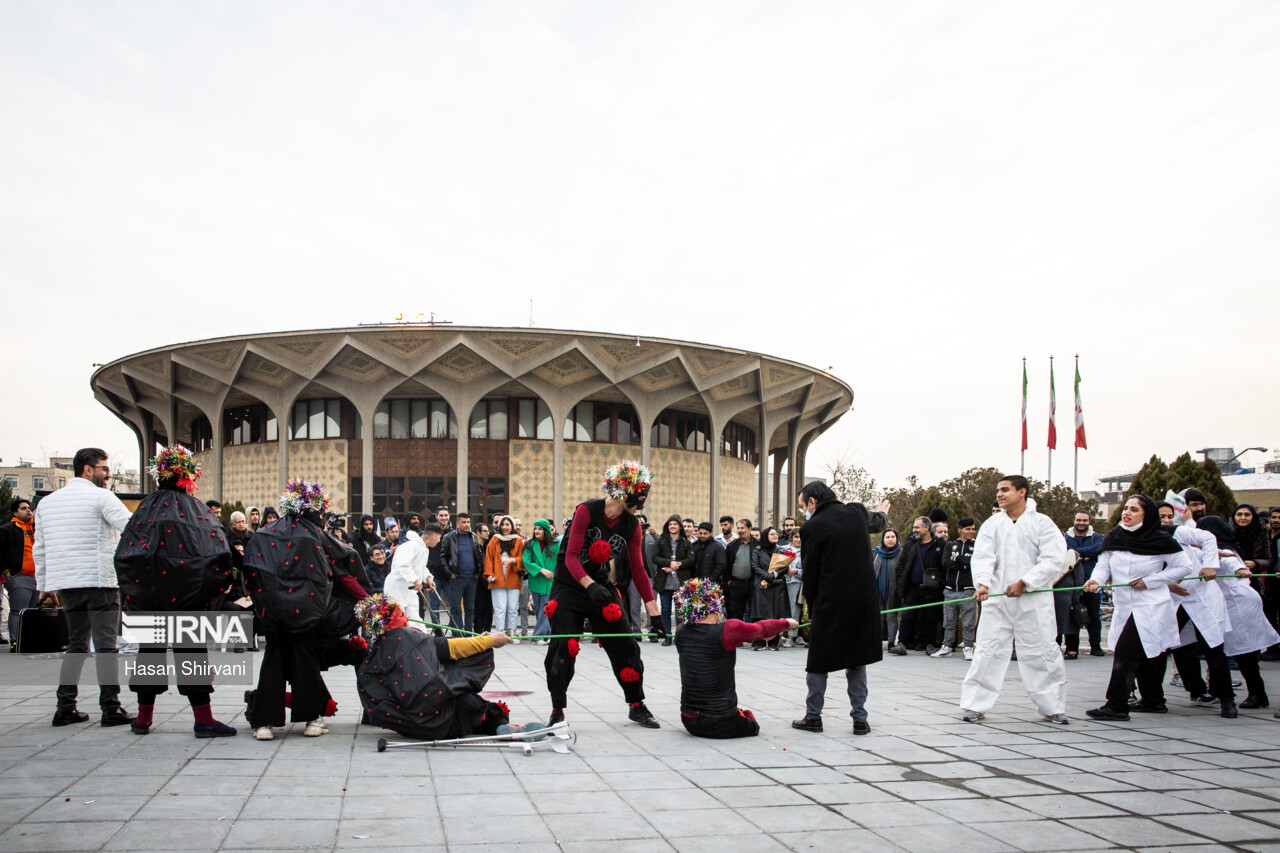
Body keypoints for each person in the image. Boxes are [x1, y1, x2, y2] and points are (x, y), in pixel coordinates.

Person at [114, 445, 238, 737]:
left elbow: (126, 552)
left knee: (150, 653)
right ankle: (203, 719)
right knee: (191, 653)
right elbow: (216, 551)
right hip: (187, 598)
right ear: (187, 476)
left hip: (151, 598)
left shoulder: (144, 508)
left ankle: (143, 719)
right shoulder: (195, 509)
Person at [243, 479, 371, 740]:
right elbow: (342, 567)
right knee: (304, 664)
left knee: (273, 664)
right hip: (305, 615)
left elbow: (252, 572)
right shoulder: (314, 534)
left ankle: (264, 723)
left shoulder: (265, 534)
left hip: (274, 616)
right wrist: (368, 600)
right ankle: (312, 719)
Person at [543, 461, 661, 729]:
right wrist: (588, 585)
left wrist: (656, 614)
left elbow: (639, 570)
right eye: (639, 498)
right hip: (569, 586)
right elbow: (571, 557)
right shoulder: (588, 510)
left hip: (599, 585)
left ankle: (636, 704)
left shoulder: (633, 525)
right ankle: (557, 709)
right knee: (564, 647)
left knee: (625, 642)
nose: (641, 505)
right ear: (623, 492)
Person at [32, 447, 135, 728]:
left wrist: (44, 585)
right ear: (88, 469)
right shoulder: (101, 496)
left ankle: (65, 706)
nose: (108, 474)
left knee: (76, 646)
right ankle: (110, 708)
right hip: (100, 582)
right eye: (104, 468)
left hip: (68, 584)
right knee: (106, 648)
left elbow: (39, 548)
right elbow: (131, 527)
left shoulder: (48, 503)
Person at [959, 475, 1069, 725]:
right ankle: (974, 705)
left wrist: (1025, 582)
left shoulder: (1042, 524)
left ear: (1023, 492)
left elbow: (1053, 559)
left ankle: (1053, 706)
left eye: (1005, 490)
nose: (999, 494)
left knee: (1041, 650)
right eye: (998, 490)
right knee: (987, 651)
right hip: (997, 601)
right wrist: (983, 583)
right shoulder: (992, 524)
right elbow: (983, 557)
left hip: (1033, 601)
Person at [1083, 495, 1195, 721]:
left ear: (1146, 514)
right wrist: (1095, 581)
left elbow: (1184, 567)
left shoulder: (1160, 540)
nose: (1127, 512)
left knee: (1126, 651)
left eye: (1134, 509)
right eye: (1126, 508)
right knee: (1144, 652)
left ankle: (1116, 705)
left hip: (1151, 605)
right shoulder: (1115, 535)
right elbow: (1103, 565)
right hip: (1125, 605)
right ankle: (1154, 701)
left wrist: (1151, 580)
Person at [790, 483, 885, 736]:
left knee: (819, 662)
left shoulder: (811, 527)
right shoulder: (856, 512)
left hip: (830, 602)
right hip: (862, 601)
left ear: (812, 502)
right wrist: (882, 511)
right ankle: (860, 720)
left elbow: (810, 572)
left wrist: (812, 604)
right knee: (857, 660)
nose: (802, 513)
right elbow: (878, 522)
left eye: (803, 506)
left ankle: (813, 717)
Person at [355, 594, 516, 739]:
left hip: (412, 728)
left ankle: (493, 725)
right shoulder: (407, 636)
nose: (407, 617)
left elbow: (377, 711)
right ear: (395, 619)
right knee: (470, 703)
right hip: (443, 718)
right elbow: (452, 648)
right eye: (402, 614)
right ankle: (498, 725)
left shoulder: (368, 665)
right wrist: (490, 641)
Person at [673, 578, 796, 738]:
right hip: (720, 721)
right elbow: (761, 628)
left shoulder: (681, 631)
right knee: (752, 725)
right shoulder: (727, 630)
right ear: (715, 606)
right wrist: (787, 623)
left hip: (689, 720)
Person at [1192, 511, 1280, 710]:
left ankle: (1257, 694)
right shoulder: (1217, 549)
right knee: (1232, 651)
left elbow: (1234, 565)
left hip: (1237, 604)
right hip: (1233, 603)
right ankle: (1228, 690)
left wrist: (1241, 571)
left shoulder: (1223, 550)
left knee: (1242, 651)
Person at [1157, 500, 1236, 717]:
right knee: (1174, 646)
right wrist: (1167, 585)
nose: (1166, 521)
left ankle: (1227, 699)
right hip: (1174, 598)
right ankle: (1194, 692)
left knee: (1213, 646)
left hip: (1200, 596)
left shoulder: (1177, 532)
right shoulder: (1142, 540)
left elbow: (1207, 538)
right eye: (1161, 516)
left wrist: (1210, 564)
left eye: (1169, 516)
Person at [383, 518, 441, 633]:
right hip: (397, 588)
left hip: (410, 589)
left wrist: (428, 577)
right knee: (396, 619)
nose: (439, 541)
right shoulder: (410, 546)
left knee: (415, 619)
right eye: (439, 538)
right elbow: (403, 565)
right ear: (434, 536)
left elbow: (420, 567)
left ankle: (421, 641)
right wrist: (415, 580)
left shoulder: (424, 549)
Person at [894, 517, 942, 652]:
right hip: (911, 587)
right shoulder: (910, 544)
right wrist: (901, 582)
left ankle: (927, 644)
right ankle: (903, 643)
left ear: (927, 528)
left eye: (917, 527)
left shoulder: (938, 545)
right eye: (914, 527)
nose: (914, 530)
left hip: (930, 589)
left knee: (928, 617)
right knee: (907, 615)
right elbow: (902, 564)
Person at [934, 518, 978, 660]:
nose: (971, 532)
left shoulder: (977, 546)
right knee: (949, 621)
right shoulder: (951, 545)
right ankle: (946, 646)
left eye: (973, 529)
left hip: (968, 590)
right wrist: (963, 563)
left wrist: (960, 561)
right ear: (960, 530)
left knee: (969, 623)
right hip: (950, 590)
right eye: (968, 529)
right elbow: (946, 563)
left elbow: (973, 563)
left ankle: (968, 647)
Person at [1064, 511, 1106, 656]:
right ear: (1074, 520)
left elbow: (1097, 549)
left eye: (1085, 520)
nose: (1081, 523)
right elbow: (1063, 551)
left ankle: (1095, 646)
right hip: (1071, 583)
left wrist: (1074, 554)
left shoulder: (1097, 537)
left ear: (1089, 521)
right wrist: (1085, 556)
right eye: (1079, 520)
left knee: (1094, 616)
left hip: (1091, 582)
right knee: (1072, 616)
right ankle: (1071, 648)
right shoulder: (1065, 536)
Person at [1, 497, 39, 647]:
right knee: (18, 610)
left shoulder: (36, 528)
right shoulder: (7, 529)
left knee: (32, 611)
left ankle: (28, 640)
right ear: (15, 513)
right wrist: (7, 572)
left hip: (36, 576)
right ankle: (16, 641)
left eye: (29, 508)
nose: (28, 510)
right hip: (19, 576)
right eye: (23, 508)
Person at [651, 515, 693, 645]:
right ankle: (667, 636)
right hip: (665, 582)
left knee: (680, 611)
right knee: (665, 610)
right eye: (670, 524)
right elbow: (654, 557)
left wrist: (678, 564)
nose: (672, 526)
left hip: (680, 582)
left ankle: (679, 636)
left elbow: (691, 560)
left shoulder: (686, 543)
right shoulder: (661, 541)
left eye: (675, 524)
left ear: (680, 526)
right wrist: (669, 563)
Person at [485, 516, 525, 641]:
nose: (505, 527)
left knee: (513, 607)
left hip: (513, 575)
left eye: (507, 524)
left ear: (512, 526)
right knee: (499, 607)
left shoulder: (518, 541)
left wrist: (513, 560)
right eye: (503, 525)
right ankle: (499, 632)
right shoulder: (494, 540)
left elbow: (523, 559)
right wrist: (489, 574)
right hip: (497, 576)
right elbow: (488, 558)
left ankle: (512, 632)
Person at [751, 527, 791, 651]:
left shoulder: (781, 550)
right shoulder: (757, 550)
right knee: (760, 615)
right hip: (762, 585)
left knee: (775, 614)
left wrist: (774, 575)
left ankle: (774, 642)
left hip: (777, 585)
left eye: (775, 534)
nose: (775, 536)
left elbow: (785, 566)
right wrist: (768, 576)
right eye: (771, 534)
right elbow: (755, 566)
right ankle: (760, 642)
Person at [442, 513, 482, 635]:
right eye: (464, 522)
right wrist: (450, 573)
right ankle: (456, 633)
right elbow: (443, 557)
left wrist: (477, 573)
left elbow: (479, 556)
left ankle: (469, 633)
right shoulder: (449, 537)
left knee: (470, 608)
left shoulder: (473, 537)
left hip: (472, 578)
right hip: (457, 578)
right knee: (455, 608)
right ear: (457, 524)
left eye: (468, 522)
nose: (466, 525)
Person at [724, 519, 765, 623]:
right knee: (736, 613)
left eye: (742, 528)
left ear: (749, 528)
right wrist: (729, 580)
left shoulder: (759, 545)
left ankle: (755, 637)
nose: (740, 530)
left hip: (754, 584)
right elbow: (726, 564)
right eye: (738, 528)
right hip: (736, 584)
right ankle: (737, 638)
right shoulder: (732, 546)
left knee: (755, 612)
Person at [524, 520, 558, 644]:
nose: (536, 531)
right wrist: (541, 570)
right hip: (536, 580)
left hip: (550, 581)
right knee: (539, 610)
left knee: (545, 610)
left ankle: (537, 636)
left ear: (546, 531)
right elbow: (526, 561)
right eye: (535, 528)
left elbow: (560, 562)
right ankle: (548, 634)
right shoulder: (530, 544)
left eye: (540, 529)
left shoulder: (556, 545)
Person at [874, 530, 905, 654]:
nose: (890, 539)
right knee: (879, 616)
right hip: (877, 590)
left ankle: (891, 641)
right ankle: (877, 640)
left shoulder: (901, 553)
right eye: (887, 537)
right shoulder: (876, 553)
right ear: (883, 539)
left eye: (893, 537)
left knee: (891, 616)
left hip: (893, 591)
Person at [782, 528, 804, 647]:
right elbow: (777, 564)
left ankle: (791, 637)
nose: (798, 539)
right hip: (783, 581)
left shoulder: (806, 551)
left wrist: (796, 571)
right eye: (796, 537)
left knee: (794, 610)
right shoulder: (784, 549)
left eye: (800, 537)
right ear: (791, 537)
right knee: (781, 609)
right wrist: (785, 570)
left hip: (797, 582)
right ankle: (780, 636)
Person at [690, 522, 727, 588]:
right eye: (700, 533)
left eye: (705, 533)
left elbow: (721, 566)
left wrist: (709, 580)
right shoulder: (694, 546)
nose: (702, 536)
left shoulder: (717, 547)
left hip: (711, 585)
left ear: (710, 533)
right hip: (694, 584)